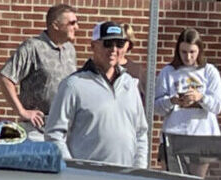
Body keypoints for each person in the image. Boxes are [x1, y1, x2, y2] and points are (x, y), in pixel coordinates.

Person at [43, 21, 148, 168]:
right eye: (107, 43)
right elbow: (54, 134)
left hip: (127, 179)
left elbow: (141, 133)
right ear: (93, 46)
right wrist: (73, 169)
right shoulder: (73, 85)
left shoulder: (130, 84)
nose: (113, 49)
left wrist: (139, 169)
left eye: (119, 44)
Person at [0, 3, 78, 139]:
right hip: (37, 130)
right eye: (72, 23)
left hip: (64, 129)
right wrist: (22, 112)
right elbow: (5, 77)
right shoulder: (33, 47)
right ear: (55, 25)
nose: (77, 27)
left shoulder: (70, 50)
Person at [154, 28, 221, 163]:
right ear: (178, 51)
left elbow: (217, 106)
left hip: (202, 136)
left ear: (199, 51)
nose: (188, 57)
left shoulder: (209, 71)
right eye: (184, 52)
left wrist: (201, 97)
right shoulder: (168, 72)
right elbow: (157, 107)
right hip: (174, 135)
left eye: (192, 52)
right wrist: (171, 101)